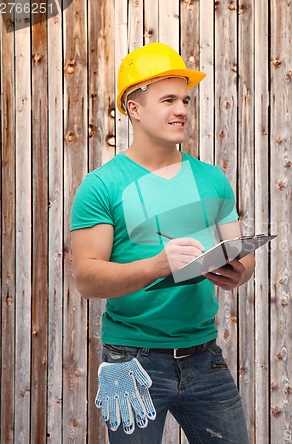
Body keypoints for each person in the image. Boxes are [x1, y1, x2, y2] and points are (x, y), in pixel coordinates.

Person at [70, 42, 255, 443]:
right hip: (130, 363)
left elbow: (237, 250)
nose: (182, 110)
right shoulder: (102, 186)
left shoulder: (212, 178)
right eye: (168, 99)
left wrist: (237, 271)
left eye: (185, 99)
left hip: (205, 358)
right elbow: (87, 278)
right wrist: (158, 265)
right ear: (134, 108)